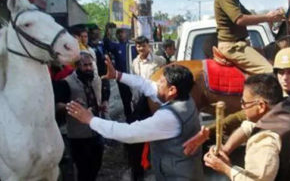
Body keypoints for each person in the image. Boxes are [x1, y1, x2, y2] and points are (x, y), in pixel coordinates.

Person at [66, 56, 204, 181]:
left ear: (172, 90)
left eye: (161, 82)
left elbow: (128, 133)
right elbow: (146, 85)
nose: (156, 84)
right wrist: (118, 76)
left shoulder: (168, 117)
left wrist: (91, 120)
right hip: (185, 171)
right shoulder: (186, 99)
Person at [203, 74, 290, 181]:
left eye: (244, 102)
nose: (242, 106)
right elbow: (249, 126)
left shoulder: (265, 139)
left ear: (261, 106)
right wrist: (226, 149)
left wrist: (226, 168)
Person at [214, 0, 284, 75]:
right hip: (232, 47)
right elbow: (240, 19)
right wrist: (267, 17)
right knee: (271, 72)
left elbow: (249, 16)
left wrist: (273, 15)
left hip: (239, 45)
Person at [53, 52, 105, 181]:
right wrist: (70, 106)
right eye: (84, 65)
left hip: (97, 131)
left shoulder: (95, 79)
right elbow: (57, 106)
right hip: (79, 136)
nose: (88, 68)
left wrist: (103, 104)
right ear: (77, 66)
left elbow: (101, 95)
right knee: (84, 170)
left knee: (96, 166)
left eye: (90, 65)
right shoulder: (66, 83)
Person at [128, 35, 165, 180]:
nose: (140, 49)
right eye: (137, 46)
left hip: (155, 102)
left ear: (148, 46)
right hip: (140, 102)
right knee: (141, 134)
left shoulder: (159, 61)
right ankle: (142, 165)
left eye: (142, 46)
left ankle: (156, 163)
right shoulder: (134, 62)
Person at [88, 24, 110, 113]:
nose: (97, 34)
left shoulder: (102, 43)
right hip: (95, 74)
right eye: (95, 33)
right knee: (97, 96)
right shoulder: (88, 46)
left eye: (98, 32)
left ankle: (105, 110)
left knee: (106, 93)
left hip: (104, 72)